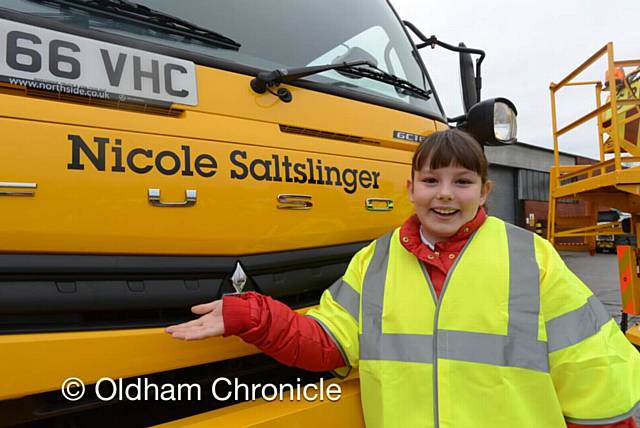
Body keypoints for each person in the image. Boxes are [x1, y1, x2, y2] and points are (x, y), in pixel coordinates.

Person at [166, 129, 640, 428]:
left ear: (485, 191)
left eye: (462, 182)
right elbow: (327, 343)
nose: (445, 196)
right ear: (410, 188)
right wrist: (252, 313)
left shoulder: (530, 257)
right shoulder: (374, 261)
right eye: (431, 181)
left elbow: (590, 363)